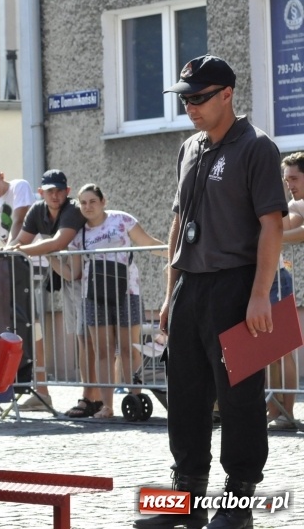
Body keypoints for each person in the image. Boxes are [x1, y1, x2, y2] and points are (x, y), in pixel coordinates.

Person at [135, 55, 287, 529]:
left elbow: (272, 227)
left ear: (227, 94)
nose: (190, 107)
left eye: (199, 98)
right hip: (190, 286)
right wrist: (169, 291)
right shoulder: (190, 147)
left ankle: (239, 500)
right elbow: (179, 222)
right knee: (184, 394)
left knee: (240, 396)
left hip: (237, 285)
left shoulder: (258, 148)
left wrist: (261, 294)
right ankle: (185, 497)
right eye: (185, 99)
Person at [55, 184, 163, 419]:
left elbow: (147, 243)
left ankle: (136, 397)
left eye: (92, 201)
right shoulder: (79, 233)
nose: (87, 206)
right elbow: (72, 272)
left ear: (104, 201)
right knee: (103, 351)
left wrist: (174, 252)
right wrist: (50, 257)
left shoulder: (122, 220)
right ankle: (107, 406)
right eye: (83, 202)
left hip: (127, 292)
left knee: (128, 348)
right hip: (94, 296)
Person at [9, 170, 96, 416]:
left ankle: (96, 397)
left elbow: (58, 242)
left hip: (91, 278)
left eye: (59, 190)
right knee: (81, 338)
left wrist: (20, 249)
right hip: (69, 279)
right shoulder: (38, 210)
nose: (55, 195)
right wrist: (10, 250)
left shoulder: (73, 209)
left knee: (92, 340)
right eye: (50, 190)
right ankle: (86, 397)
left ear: (67, 192)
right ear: (41, 192)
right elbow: (20, 240)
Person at [0, 161, 51, 409]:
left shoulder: (18, 187)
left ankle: (42, 389)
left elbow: (20, 217)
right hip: (12, 266)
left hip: (30, 264)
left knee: (32, 324)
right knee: (16, 324)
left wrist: (11, 246)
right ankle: (23, 385)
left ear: (2, 176)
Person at [265, 151, 304, 430]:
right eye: (286, 178)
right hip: (274, 279)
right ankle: (275, 409)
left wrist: (271, 239)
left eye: (294, 177)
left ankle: (286, 411)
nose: (289, 183)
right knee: (270, 350)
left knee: (282, 350)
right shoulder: (294, 204)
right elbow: (285, 225)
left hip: (279, 279)